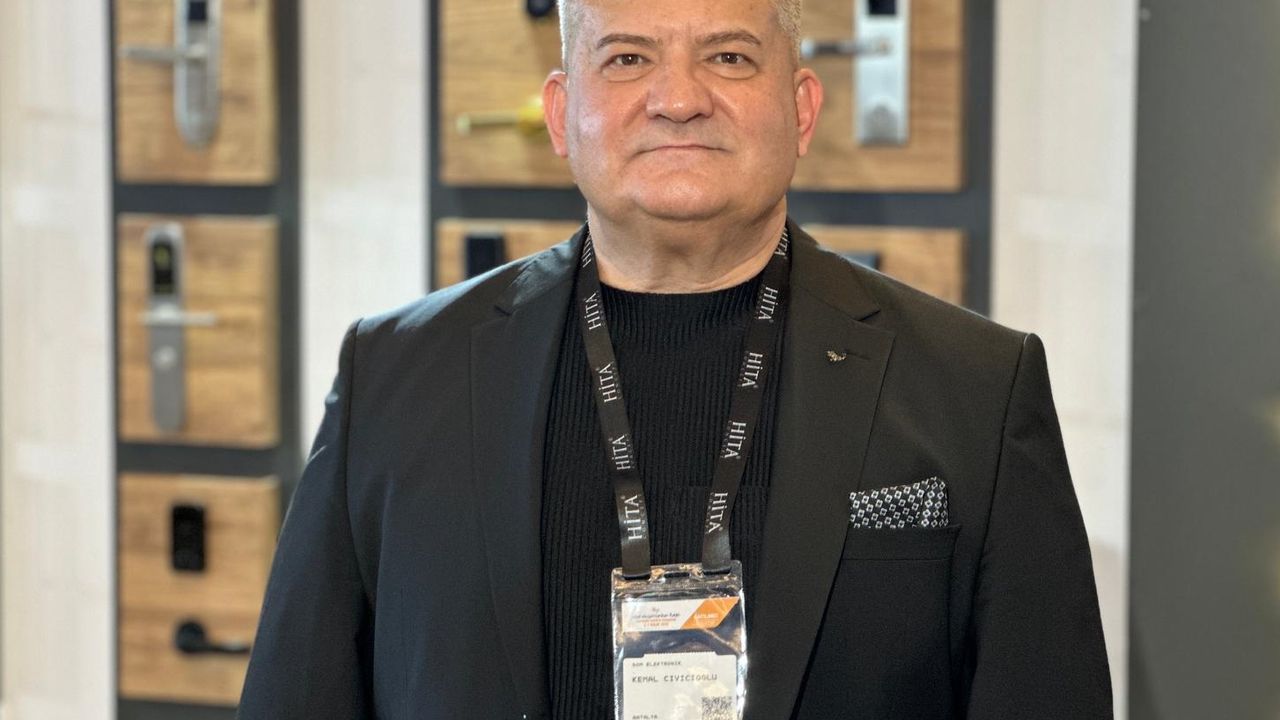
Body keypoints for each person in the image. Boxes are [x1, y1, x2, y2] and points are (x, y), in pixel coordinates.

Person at [238, 0, 1112, 717]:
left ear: (802, 109)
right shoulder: (394, 377)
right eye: (627, 59)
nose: (679, 99)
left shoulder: (977, 388)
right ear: (560, 114)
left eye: (729, 57)